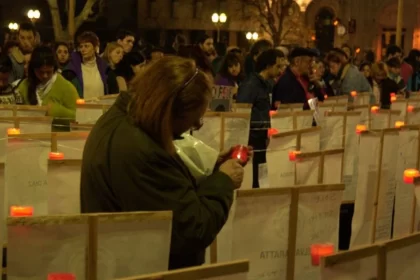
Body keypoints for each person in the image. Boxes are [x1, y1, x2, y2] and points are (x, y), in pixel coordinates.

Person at [80, 56, 247, 269]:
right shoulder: (141, 150)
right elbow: (192, 228)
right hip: (140, 267)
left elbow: (162, 191)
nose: (196, 124)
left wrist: (213, 168)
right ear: (170, 110)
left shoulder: (122, 117)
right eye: (195, 118)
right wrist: (224, 180)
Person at [237, 49, 284, 188]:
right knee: (253, 177)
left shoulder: (267, 85)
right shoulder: (251, 85)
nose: (280, 71)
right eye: (278, 66)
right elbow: (242, 112)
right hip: (253, 138)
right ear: (268, 66)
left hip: (263, 137)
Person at [16, 46, 79, 121]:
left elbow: (79, 117)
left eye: (48, 72)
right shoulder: (24, 86)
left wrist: (58, 111)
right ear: (33, 69)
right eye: (41, 72)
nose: (45, 76)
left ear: (54, 68)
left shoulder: (67, 88)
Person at [62, 31, 119, 98]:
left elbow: (114, 93)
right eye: (81, 46)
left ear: (95, 48)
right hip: (82, 107)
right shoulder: (71, 71)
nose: (83, 49)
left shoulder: (105, 69)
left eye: (86, 46)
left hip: (102, 107)